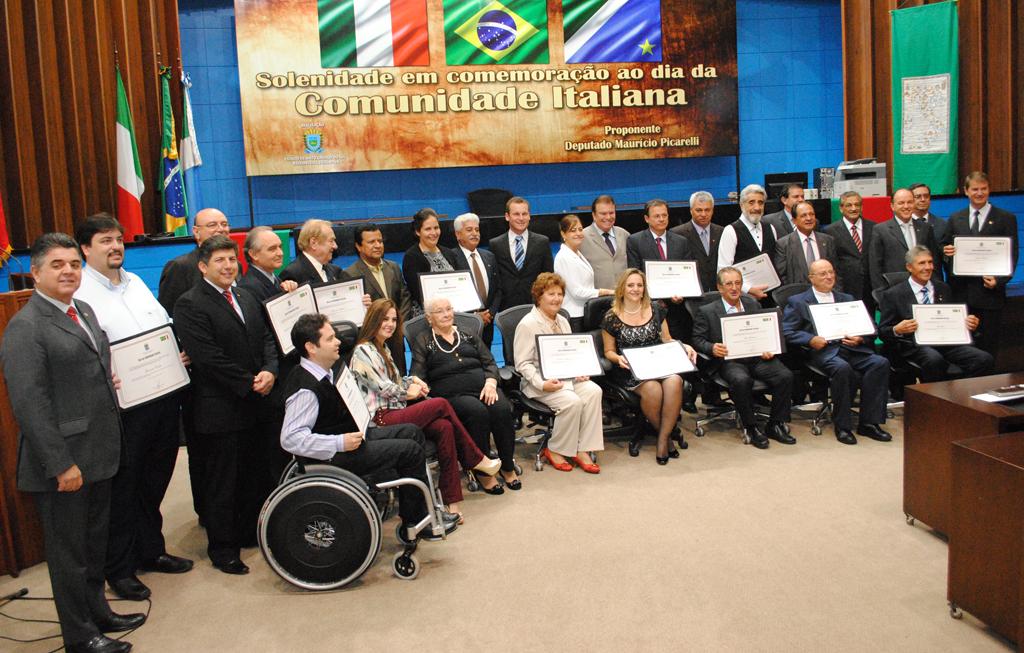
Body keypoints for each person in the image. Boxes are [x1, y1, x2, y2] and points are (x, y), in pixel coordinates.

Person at [1, 233, 145, 653]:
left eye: (73, 264)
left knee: (94, 544)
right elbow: (29, 404)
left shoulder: (80, 309)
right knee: (69, 556)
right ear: (36, 272)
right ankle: (80, 638)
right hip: (66, 463)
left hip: (99, 450)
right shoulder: (25, 327)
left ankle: (98, 612)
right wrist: (61, 464)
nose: (68, 271)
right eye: (57, 265)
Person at [73, 214, 193, 604]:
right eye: (105, 240)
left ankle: (151, 549)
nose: (116, 246)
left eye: (119, 239)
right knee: (124, 487)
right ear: (86, 249)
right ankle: (119, 569)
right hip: (122, 407)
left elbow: (161, 326)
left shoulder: (136, 282)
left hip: (161, 395)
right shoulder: (80, 293)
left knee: (155, 478)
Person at [280, 314, 458, 539]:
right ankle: (414, 524)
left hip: (351, 436)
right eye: (330, 338)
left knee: (412, 431)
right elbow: (290, 439)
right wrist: (339, 442)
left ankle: (418, 510)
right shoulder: (305, 389)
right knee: (409, 450)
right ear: (311, 347)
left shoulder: (326, 371)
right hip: (333, 455)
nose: (338, 342)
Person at [173, 235, 278, 575]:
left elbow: (266, 338)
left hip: (256, 401)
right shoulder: (190, 304)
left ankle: (248, 532)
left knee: (253, 474)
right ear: (204, 266)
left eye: (232, 260)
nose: (228, 266)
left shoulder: (246, 296)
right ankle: (223, 548)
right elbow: (207, 358)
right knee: (223, 482)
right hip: (220, 407)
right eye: (219, 261)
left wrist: (269, 371)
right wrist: (249, 383)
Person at [351, 299, 500, 521]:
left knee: (444, 427)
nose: (390, 324)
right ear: (373, 320)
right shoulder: (363, 350)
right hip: (380, 419)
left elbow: (397, 380)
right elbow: (383, 387)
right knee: (440, 404)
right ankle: (476, 458)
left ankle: (453, 502)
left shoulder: (383, 348)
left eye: (393, 319)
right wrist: (408, 392)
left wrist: (413, 381)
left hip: (395, 411)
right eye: (385, 319)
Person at [410, 297, 521, 493]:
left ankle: (507, 465)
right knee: (477, 412)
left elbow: (489, 362)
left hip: (483, 387)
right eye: (440, 311)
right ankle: (483, 472)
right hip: (452, 394)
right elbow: (417, 373)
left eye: (449, 309)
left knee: (501, 409)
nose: (446, 314)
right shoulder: (423, 340)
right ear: (429, 318)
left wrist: (491, 382)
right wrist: (417, 384)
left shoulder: (467, 333)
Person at [782, 260, 891, 445]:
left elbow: (872, 327)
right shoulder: (798, 301)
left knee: (880, 363)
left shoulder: (847, 299)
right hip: (823, 352)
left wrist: (860, 338)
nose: (829, 277)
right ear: (811, 278)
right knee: (842, 369)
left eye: (831, 272)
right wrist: (810, 339)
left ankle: (869, 423)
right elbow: (786, 331)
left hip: (853, 348)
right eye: (823, 274)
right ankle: (843, 426)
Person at [601, 269, 697, 464]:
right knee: (653, 389)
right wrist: (617, 358)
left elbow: (667, 339)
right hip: (631, 370)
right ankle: (667, 436)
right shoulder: (611, 317)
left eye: (639, 285)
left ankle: (662, 438)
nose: (635, 289)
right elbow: (608, 351)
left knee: (675, 381)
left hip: (659, 363)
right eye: (630, 285)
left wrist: (684, 346)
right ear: (622, 289)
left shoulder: (657, 309)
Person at [691, 267, 794, 449]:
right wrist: (712, 347)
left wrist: (770, 348)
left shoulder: (753, 304)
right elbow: (697, 340)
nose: (734, 288)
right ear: (720, 287)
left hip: (757, 357)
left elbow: (766, 332)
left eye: (737, 283)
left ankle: (775, 424)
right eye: (729, 284)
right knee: (741, 380)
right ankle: (751, 427)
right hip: (730, 360)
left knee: (785, 376)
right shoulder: (706, 310)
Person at [513, 273, 604, 473]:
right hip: (538, 383)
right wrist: (541, 383)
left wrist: (579, 371)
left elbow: (569, 354)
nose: (557, 299)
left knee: (593, 390)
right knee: (572, 401)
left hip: (565, 378)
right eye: (551, 294)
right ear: (539, 297)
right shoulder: (528, 324)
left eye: (560, 294)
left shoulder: (563, 320)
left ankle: (582, 448)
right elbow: (522, 364)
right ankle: (555, 449)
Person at [879, 246, 994, 382]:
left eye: (930, 262)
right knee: (934, 360)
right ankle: (936, 400)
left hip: (947, 343)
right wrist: (897, 329)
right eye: (922, 263)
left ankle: (962, 396)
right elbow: (883, 331)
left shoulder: (943, 288)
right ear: (909, 267)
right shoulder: (893, 294)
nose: (928, 267)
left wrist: (968, 324)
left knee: (984, 359)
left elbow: (953, 318)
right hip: (914, 345)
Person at [942, 171, 1019, 358]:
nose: (979, 193)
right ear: (966, 191)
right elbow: (944, 247)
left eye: (983, 189)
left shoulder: (1005, 218)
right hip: (962, 293)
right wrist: (946, 252)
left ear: (989, 190)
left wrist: (999, 281)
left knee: (988, 346)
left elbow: (1012, 254)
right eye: (975, 189)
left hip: (989, 295)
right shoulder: (955, 218)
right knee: (963, 347)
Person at [345, 224, 413, 374]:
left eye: (380, 241)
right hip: (372, 340)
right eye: (371, 242)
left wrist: (399, 323)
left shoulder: (393, 267)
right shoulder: (350, 274)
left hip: (396, 336)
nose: (377, 245)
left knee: (400, 375)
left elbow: (404, 296)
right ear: (358, 246)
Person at [626, 199, 695, 342]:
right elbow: (635, 274)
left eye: (665, 215)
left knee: (678, 347)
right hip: (648, 308)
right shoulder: (635, 241)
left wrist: (682, 293)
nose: (662, 219)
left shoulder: (681, 241)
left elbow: (688, 275)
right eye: (657, 216)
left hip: (677, 309)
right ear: (647, 218)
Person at [157, 207, 230, 313]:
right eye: (212, 225)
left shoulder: (235, 265)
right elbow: (168, 313)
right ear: (196, 232)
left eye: (224, 224)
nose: (220, 229)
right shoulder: (180, 267)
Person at [489, 196, 554, 311]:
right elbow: (495, 280)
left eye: (524, 214)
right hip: (507, 309)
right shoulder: (495, 244)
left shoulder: (542, 242)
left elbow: (548, 276)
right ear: (507, 216)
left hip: (537, 307)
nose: (521, 218)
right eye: (516, 214)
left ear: (529, 216)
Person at [868, 188, 940, 291]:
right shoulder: (880, 230)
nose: (906, 206)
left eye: (909, 202)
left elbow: (935, 260)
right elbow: (875, 267)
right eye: (901, 203)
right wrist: (881, 294)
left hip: (923, 289)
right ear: (892, 206)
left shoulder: (926, 228)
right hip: (894, 290)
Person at [717, 184, 778, 301]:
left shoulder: (770, 228)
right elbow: (723, 270)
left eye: (760, 203)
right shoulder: (730, 231)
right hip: (743, 298)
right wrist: (748, 289)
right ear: (741, 205)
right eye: (751, 202)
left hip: (771, 296)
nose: (757, 207)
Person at [554, 214, 613, 331]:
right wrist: (605, 292)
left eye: (580, 229)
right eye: (573, 230)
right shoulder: (563, 257)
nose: (578, 233)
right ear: (563, 234)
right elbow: (577, 292)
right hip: (575, 317)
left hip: (586, 313)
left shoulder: (577, 253)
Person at [450, 212, 501, 346]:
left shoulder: (489, 256)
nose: (475, 233)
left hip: (487, 323)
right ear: (458, 234)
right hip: (463, 325)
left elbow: (498, 289)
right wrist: (474, 316)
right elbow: (452, 294)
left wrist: (490, 313)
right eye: (469, 230)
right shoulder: (450, 258)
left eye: (477, 230)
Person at [402, 207, 459, 315]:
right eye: (428, 229)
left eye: (436, 228)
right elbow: (418, 294)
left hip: (454, 310)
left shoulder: (449, 253)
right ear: (418, 232)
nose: (434, 232)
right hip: (428, 316)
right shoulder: (412, 257)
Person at [773, 201, 841, 286]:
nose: (809, 218)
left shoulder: (828, 240)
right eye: (803, 215)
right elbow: (782, 276)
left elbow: (836, 272)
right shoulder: (784, 244)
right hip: (798, 295)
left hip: (825, 293)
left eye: (811, 214)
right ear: (794, 220)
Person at [825, 191, 874, 305]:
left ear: (862, 207)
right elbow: (833, 261)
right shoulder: (830, 231)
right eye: (849, 205)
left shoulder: (873, 227)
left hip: (870, 288)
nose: (853, 208)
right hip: (846, 287)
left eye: (857, 205)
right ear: (841, 209)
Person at [670, 190, 724, 295]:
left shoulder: (722, 232)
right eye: (699, 210)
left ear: (712, 210)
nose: (703, 214)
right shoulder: (677, 234)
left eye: (707, 210)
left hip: (718, 292)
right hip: (691, 294)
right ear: (691, 210)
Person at [578, 194, 629, 289]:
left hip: (623, 297)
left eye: (611, 213)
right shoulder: (582, 237)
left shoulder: (624, 235)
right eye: (603, 214)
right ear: (594, 215)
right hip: (597, 300)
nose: (608, 217)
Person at [237, 226, 299, 302]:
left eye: (280, 247)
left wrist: (290, 291)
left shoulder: (275, 279)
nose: (280, 253)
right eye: (272, 249)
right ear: (254, 254)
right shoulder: (248, 287)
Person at [279, 219, 348, 285]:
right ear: (313, 243)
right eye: (331, 241)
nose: (335, 246)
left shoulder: (335, 271)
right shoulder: (292, 274)